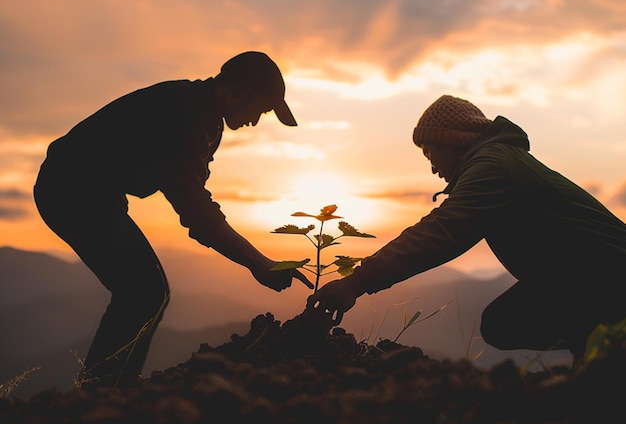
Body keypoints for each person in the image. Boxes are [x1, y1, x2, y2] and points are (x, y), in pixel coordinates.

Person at [34, 51, 313, 386]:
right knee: (144, 290)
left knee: (146, 290)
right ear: (239, 90)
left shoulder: (205, 117)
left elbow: (196, 202)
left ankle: (110, 388)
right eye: (262, 109)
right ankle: (102, 391)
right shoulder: (190, 114)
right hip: (71, 189)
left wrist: (258, 261)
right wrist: (259, 263)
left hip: (90, 193)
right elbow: (196, 211)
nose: (256, 120)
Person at [308, 95, 626, 361]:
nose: (432, 166)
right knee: (506, 321)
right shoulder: (500, 161)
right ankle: (602, 363)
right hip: (597, 274)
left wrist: (357, 282)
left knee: (507, 321)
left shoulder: (492, 166)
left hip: (610, 274)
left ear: (452, 141)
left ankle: (607, 363)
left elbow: (443, 231)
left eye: (430, 152)